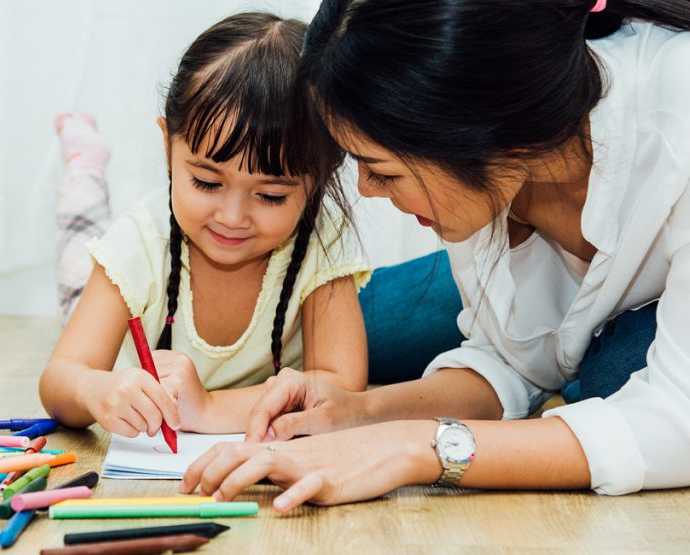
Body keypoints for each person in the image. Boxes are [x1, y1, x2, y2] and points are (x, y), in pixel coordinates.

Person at [180, 0, 690, 510]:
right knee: (358, 329)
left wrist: (412, 448)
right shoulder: (493, 170)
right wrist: (359, 412)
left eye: (382, 169)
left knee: (613, 369)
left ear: (484, 135)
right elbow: (513, 364)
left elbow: (674, 422)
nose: (368, 190)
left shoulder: (676, 118)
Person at [39, 12, 371, 437]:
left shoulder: (323, 238)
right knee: (76, 271)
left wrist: (211, 407)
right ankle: (84, 166)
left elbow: (341, 387)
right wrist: (95, 389)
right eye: (206, 182)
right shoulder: (140, 239)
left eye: (270, 195)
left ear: (321, 176)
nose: (232, 218)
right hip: (124, 289)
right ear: (167, 145)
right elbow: (60, 377)